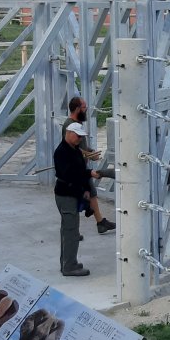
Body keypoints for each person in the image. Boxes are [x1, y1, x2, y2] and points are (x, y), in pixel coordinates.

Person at [53, 122, 98, 277]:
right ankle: (69, 266)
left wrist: (85, 189)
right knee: (70, 232)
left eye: (81, 137)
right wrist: (89, 174)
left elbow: (79, 170)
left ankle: (67, 262)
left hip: (72, 194)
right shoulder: (61, 152)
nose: (80, 139)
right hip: (65, 195)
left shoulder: (75, 150)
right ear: (69, 133)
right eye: (78, 136)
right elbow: (70, 175)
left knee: (69, 230)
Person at [66, 97, 116, 233]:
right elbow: (70, 147)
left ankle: (100, 223)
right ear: (77, 109)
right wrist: (88, 155)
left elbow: (80, 145)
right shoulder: (69, 125)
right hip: (75, 168)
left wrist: (90, 151)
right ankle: (74, 230)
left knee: (91, 193)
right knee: (76, 198)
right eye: (84, 107)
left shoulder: (77, 124)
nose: (86, 109)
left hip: (81, 166)